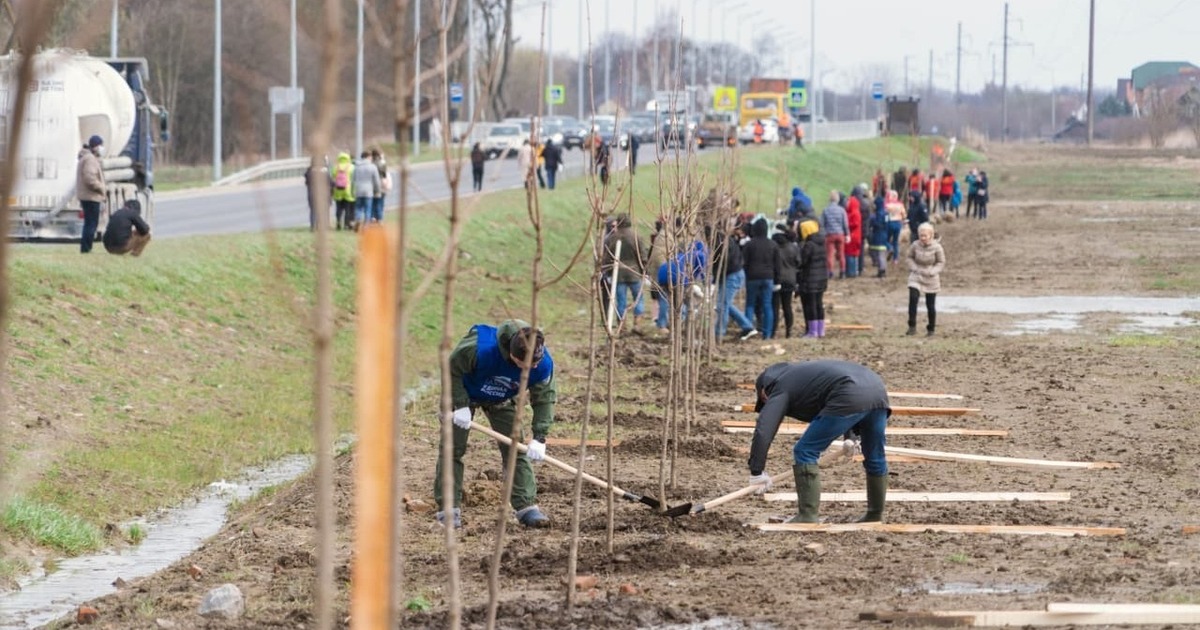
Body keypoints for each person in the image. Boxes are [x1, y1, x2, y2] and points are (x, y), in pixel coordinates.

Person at [434, 320, 556, 529]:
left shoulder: (542, 364)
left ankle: (526, 507)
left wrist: (540, 437)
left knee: (515, 448)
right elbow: (451, 370)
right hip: (464, 392)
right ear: (512, 355)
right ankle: (448, 508)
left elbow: (544, 398)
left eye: (534, 364)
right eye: (525, 365)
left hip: (503, 398)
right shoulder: (479, 349)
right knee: (453, 448)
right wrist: (460, 404)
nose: (532, 368)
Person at [745, 360, 891, 523]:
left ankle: (807, 516)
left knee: (805, 450)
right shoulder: (805, 375)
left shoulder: (780, 387)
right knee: (875, 455)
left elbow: (764, 428)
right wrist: (851, 438)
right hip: (878, 390)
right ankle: (875, 514)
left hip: (849, 394)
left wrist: (756, 472)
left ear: (764, 392)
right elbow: (840, 391)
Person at [712, 221, 759, 341]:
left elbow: (723, 263)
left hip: (733, 276)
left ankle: (719, 333)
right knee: (724, 303)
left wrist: (714, 279)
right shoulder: (724, 241)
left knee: (722, 305)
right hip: (731, 275)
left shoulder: (722, 244)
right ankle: (747, 327)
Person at [601, 214, 649, 327]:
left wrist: (607, 273)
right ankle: (637, 322)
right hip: (634, 272)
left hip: (618, 274)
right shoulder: (637, 237)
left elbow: (607, 257)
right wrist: (644, 271)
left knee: (621, 300)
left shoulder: (613, 238)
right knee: (638, 298)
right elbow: (643, 256)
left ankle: (622, 325)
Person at [742, 218, 780, 339]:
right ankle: (767, 334)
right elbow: (777, 265)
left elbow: (744, 262)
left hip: (752, 277)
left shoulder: (749, 244)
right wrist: (777, 280)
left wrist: (746, 276)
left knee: (750, 305)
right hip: (768, 277)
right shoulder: (773, 244)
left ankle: (747, 329)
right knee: (767, 305)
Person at [906, 222, 945, 337]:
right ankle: (912, 326)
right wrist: (914, 268)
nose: (922, 238)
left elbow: (941, 262)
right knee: (913, 298)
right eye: (920, 235)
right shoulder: (915, 245)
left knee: (930, 304)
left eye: (925, 236)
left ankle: (931, 328)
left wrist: (933, 271)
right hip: (916, 275)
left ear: (931, 235)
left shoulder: (937, 247)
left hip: (931, 276)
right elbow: (909, 257)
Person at [796, 219, 828, 338]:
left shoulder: (809, 245)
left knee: (811, 305)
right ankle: (821, 330)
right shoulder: (821, 243)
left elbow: (803, 262)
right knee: (819, 303)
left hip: (811, 278)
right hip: (821, 278)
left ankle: (812, 331)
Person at [75, 134, 106, 253]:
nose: (102, 148)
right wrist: (101, 188)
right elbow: (89, 178)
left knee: (89, 223)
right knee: (91, 224)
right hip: (91, 196)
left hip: (86, 196)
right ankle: (86, 249)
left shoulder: (85, 158)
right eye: (101, 146)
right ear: (96, 147)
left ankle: (86, 248)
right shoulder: (90, 159)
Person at [771, 223, 801, 338]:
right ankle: (789, 330)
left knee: (775, 306)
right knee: (787, 306)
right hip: (790, 279)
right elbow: (798, 263)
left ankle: (773, 330)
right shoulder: (793, 247)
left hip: (776, 280)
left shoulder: (773, 247)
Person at [819, 190, 848, 279]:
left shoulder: (826, 210)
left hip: (830, 234)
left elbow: (821, 223)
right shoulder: (842, 210)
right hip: (840, 234)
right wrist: (847, 234)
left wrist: (823, 233)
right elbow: (845, 224)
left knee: (830, 255)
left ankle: (830, 272)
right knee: (841, 254)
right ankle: (842, 271)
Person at [352, 150, 380, 228]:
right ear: (368, 157)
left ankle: (358, 219)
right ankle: (366, 225)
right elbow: (376, 180)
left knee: (358, 208)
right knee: (368, 209)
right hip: (368, 191)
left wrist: (352, 191)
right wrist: (377, 190)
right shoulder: (372, 167)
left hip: (359, 190)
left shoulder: (357, 167)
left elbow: (353, 180)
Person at [330, 152, 356, 230]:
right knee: (348, 208)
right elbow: (353, 179)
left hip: (338, 190)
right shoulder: (351, 167)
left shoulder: (335, 167)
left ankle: (338, 222)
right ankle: (346, 224)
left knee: (339, 208)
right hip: (348, 190)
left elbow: (333, 177)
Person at [867, 192, 890, 278]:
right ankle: (882, 269)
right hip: (884, 234)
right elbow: (887, 224)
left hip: (877, 235)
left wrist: (872, 222)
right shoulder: (886, 213)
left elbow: (877, 223)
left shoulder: (877, 214)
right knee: (882, 253)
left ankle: (881, 270)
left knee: (878, 253)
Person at [304, 161, 332, 230]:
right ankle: (320, 225)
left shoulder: (309, 172)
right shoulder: (325, 172)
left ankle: (312, 226)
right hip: (322, 193)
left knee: (313, 210)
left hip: (311, 193)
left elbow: (306, 182)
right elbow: (330, 182)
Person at [844, 186, 863, 278]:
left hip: (853, 235)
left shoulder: (853, 213)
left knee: (850, 254)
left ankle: (851, 272)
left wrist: (847, 224)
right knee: (855, 254)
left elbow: (854, 223)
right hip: (856, 235)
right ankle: (854, 271)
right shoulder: (856, 211)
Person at [883, 189, 906, 263]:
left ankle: (889, 248)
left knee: (885, 240)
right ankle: (895, 259)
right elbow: (904, 215)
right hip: (898, 223)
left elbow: (884, 214)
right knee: (895, 241)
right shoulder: (900, 204)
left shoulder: (887, 205)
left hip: (889, 223)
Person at [371, 149, 390, 223]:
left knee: (372, 202)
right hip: (380, 185)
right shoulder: (382, 163)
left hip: (371, 186)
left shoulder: (371, 163)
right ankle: (379, 218)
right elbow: (384, 175)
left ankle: (372, 217)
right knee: (380, 202)